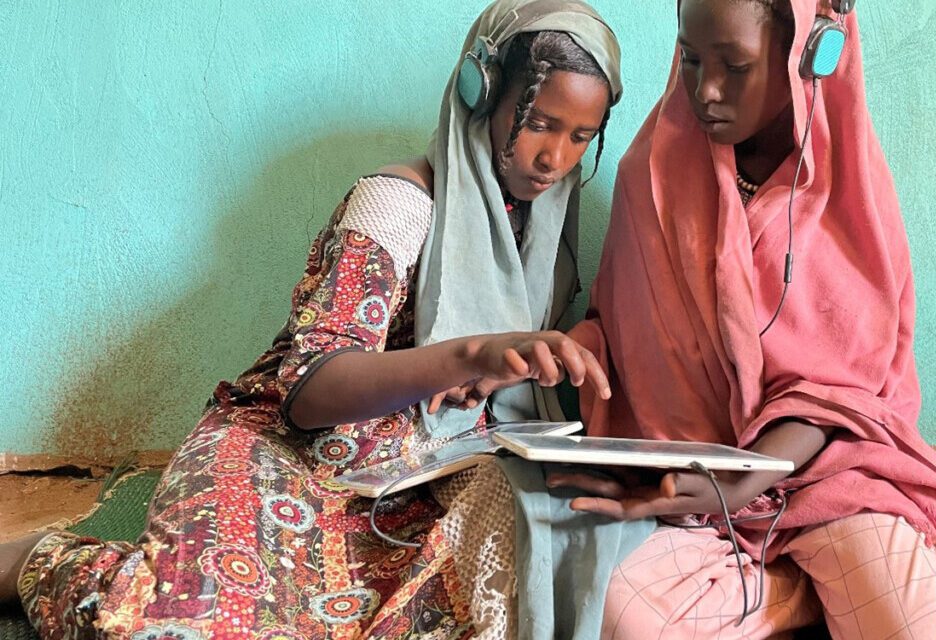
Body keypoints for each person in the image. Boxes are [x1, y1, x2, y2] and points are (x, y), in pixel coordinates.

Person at [0, 2, 620, 638]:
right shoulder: (399, 204)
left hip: (418, 486)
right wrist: (475, 355)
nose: (555, 159)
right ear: (480, 95)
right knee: (184, 624)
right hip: (288, 455)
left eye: (580, 136)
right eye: (539, 124)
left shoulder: (546, 244)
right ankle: (41, 561)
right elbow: (311, 391)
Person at [554, 0, 936, 637]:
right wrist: (576, 347)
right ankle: (807, 590)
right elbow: (623, 330)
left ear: (809, 56)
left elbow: (845, 394)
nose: (706, 90)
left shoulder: (852, 198)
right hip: (693, 480)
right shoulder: (648, 176)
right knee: (623, 614)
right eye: (689, 59)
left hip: (830, 470)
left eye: (734, 66)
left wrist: (750, 479)